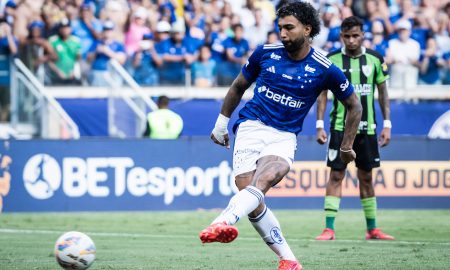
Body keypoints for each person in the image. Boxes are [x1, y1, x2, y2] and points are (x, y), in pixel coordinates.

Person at [198, 2, 362, 270]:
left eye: (289, 28)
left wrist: (347, 144)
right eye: (280, 28)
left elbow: (354, 104)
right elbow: (239, 85)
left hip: (284, 135)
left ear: (307, 29)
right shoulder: (265, 53)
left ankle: (222, 221)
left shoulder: (324, 67)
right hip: (251, 126)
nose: (283, 34)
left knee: (264, 180)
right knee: (250, 196)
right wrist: (220, 124)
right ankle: (289, 260)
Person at [315, 16, 394, 241]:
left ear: (363, 35)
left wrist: (387, 124)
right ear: (341, 36)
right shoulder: (331, 60)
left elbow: (383, 94)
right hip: (339, 127)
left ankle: (372, 229)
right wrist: (320, 124)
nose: (351, 40)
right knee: (337, 174)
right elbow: (322, 95)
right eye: (347, 36)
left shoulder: (376, 59)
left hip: (368, 128)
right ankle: (329, 229)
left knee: (366, 177)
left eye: (355, 35)